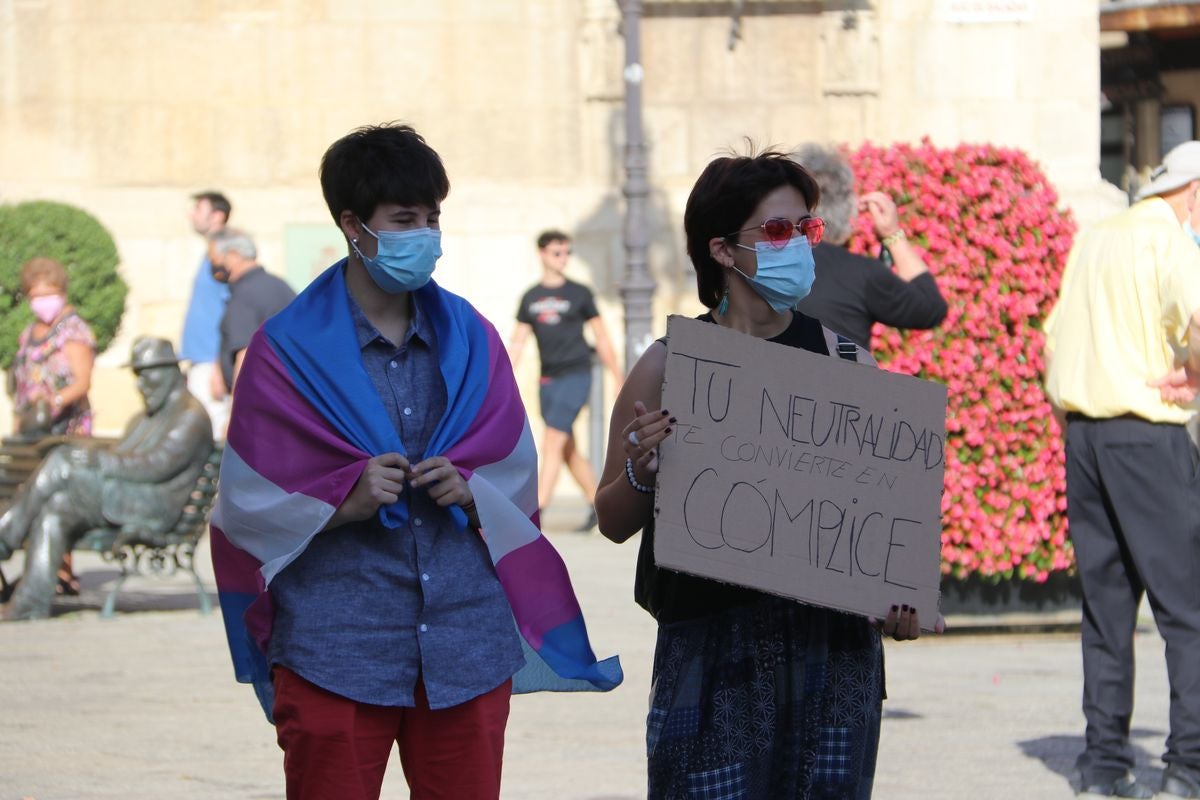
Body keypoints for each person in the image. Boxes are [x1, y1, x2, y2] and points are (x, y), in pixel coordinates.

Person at [209, 122, 619, 800]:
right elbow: (246, 504)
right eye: (404, 220)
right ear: (352, 225)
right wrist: (344, 501)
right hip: (334, 645)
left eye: (432, 218)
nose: (424, 235)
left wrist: (470, 490)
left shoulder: (473, 336)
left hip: (465, 638)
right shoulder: (283, 353)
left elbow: (513, 473)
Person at [594, 149, 936, 799]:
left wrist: (901, 596)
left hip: (833, 656)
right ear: (722, 250)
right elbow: (610, 520)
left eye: (806, 229)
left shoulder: (844, 360)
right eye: (778, 231)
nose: (802, 245)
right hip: (713, 654)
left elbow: (879, 518)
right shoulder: (668, 366)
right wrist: (643, 471)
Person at [1044, 140, 1200, 800]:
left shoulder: (1096, 237)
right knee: (1189, 612)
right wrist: (1193, 372)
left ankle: (1103, 762)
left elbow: (1052, 339)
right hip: (1146, 436)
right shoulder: (1170, 241)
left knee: (1106, 612)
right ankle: (1189, 764)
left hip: (1085, 438)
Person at [0, 336, 213, 621]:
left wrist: (94, 459)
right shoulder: (145, 418)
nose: (141, 384)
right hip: (127, 495)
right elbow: (121, 455)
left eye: (147, 375)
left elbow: (155, 467)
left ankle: (5, 535)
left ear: (171, 372)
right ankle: (30, 603)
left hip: (153, 507)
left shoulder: (190, 416)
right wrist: (88, 454)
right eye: (137, 375)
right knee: (57, 509)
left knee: (63, 460)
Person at [509, 230, 622, 530]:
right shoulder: (530, 297)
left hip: (577, 374)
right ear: (543, 254)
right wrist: (502, 378)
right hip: (548, 380)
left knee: (552, 441)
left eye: (567, 252)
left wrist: (618, 377)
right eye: (557, 253)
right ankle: (599, 505)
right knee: (566, 448)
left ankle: (536, 511)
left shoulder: (580, 293)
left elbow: (602, 335)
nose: (563, 258)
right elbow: (518, 342)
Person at [792, 144, 947, 350]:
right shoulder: (860, 274)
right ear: (848, 209)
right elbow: (931, 307)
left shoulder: (756, 260)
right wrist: (893, 235)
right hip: (840, 382)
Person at [7, 256, 97, 595]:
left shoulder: (74, 330)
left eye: (50, 292)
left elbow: (82, 381)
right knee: (27, 491)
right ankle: (38, 567)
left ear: (62, 291)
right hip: (32, 430)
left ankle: (62, 570)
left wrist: (54, 402)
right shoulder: (29, 332)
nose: (42, 300)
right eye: (36, 294)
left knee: (59, 496)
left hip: (65, 428)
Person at [207, 227, 296, 396]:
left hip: (261, 396)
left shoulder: (244, 294)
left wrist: (236, 411)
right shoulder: (278, 284)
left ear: (233, 255)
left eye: (213, 258)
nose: (212, 264)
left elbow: (244, 354)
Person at [181, 190, 232, 437]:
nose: (191, 214)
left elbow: (231, 313)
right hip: (200, 362)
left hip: (210, 364)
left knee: (210, 434)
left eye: (199, 209)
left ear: (217, 216)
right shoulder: (210, 254)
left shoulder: (223, 256)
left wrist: (218, 366)